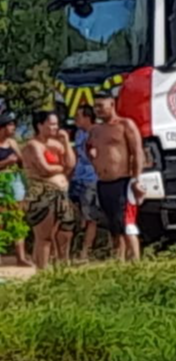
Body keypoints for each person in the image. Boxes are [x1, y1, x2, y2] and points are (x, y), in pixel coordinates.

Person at [88, 92, 143, 263]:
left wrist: (136, 180)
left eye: (101, 106)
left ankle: (135, 262)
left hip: (123, 182)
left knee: (126, 224)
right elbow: (88, 147)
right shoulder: (95, 130)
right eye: (95, 107)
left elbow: (137, 152)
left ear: (112, 104)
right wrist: (94, 159)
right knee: (113, 225)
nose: (98, 110)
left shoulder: (125, 125)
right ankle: (118, 261)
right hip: (104, 183)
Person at [21, 110, 78, 269]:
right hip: (41, 192)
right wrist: (61, 167)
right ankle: (42, 271)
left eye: (56, 124)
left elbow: (71, 164)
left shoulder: (56, 144)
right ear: (40, 125)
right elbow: (44, 169)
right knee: (44, 237)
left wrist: (66, 142)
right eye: (51, 124)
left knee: (65, 231)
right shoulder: (33, 145)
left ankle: (62, 266)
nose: (55, 127)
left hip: (61, 192)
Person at [70, 105, 104, 261]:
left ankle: (85, 251)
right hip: (77, 177)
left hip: (91, 177)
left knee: (90, 215)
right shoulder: (78, 133)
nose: (76, 119)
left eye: (79, 116)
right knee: (74, 214)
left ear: (87, 117)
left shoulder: (98, 132)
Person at [0, 111, 28, 267]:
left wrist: (18, 157)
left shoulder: (13, 143)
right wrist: (5, 162)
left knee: (18, 217)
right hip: (1, 180)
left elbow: (22, 163)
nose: (13, 128)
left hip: (14, 180)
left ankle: (21, 257)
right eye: (10, 125)